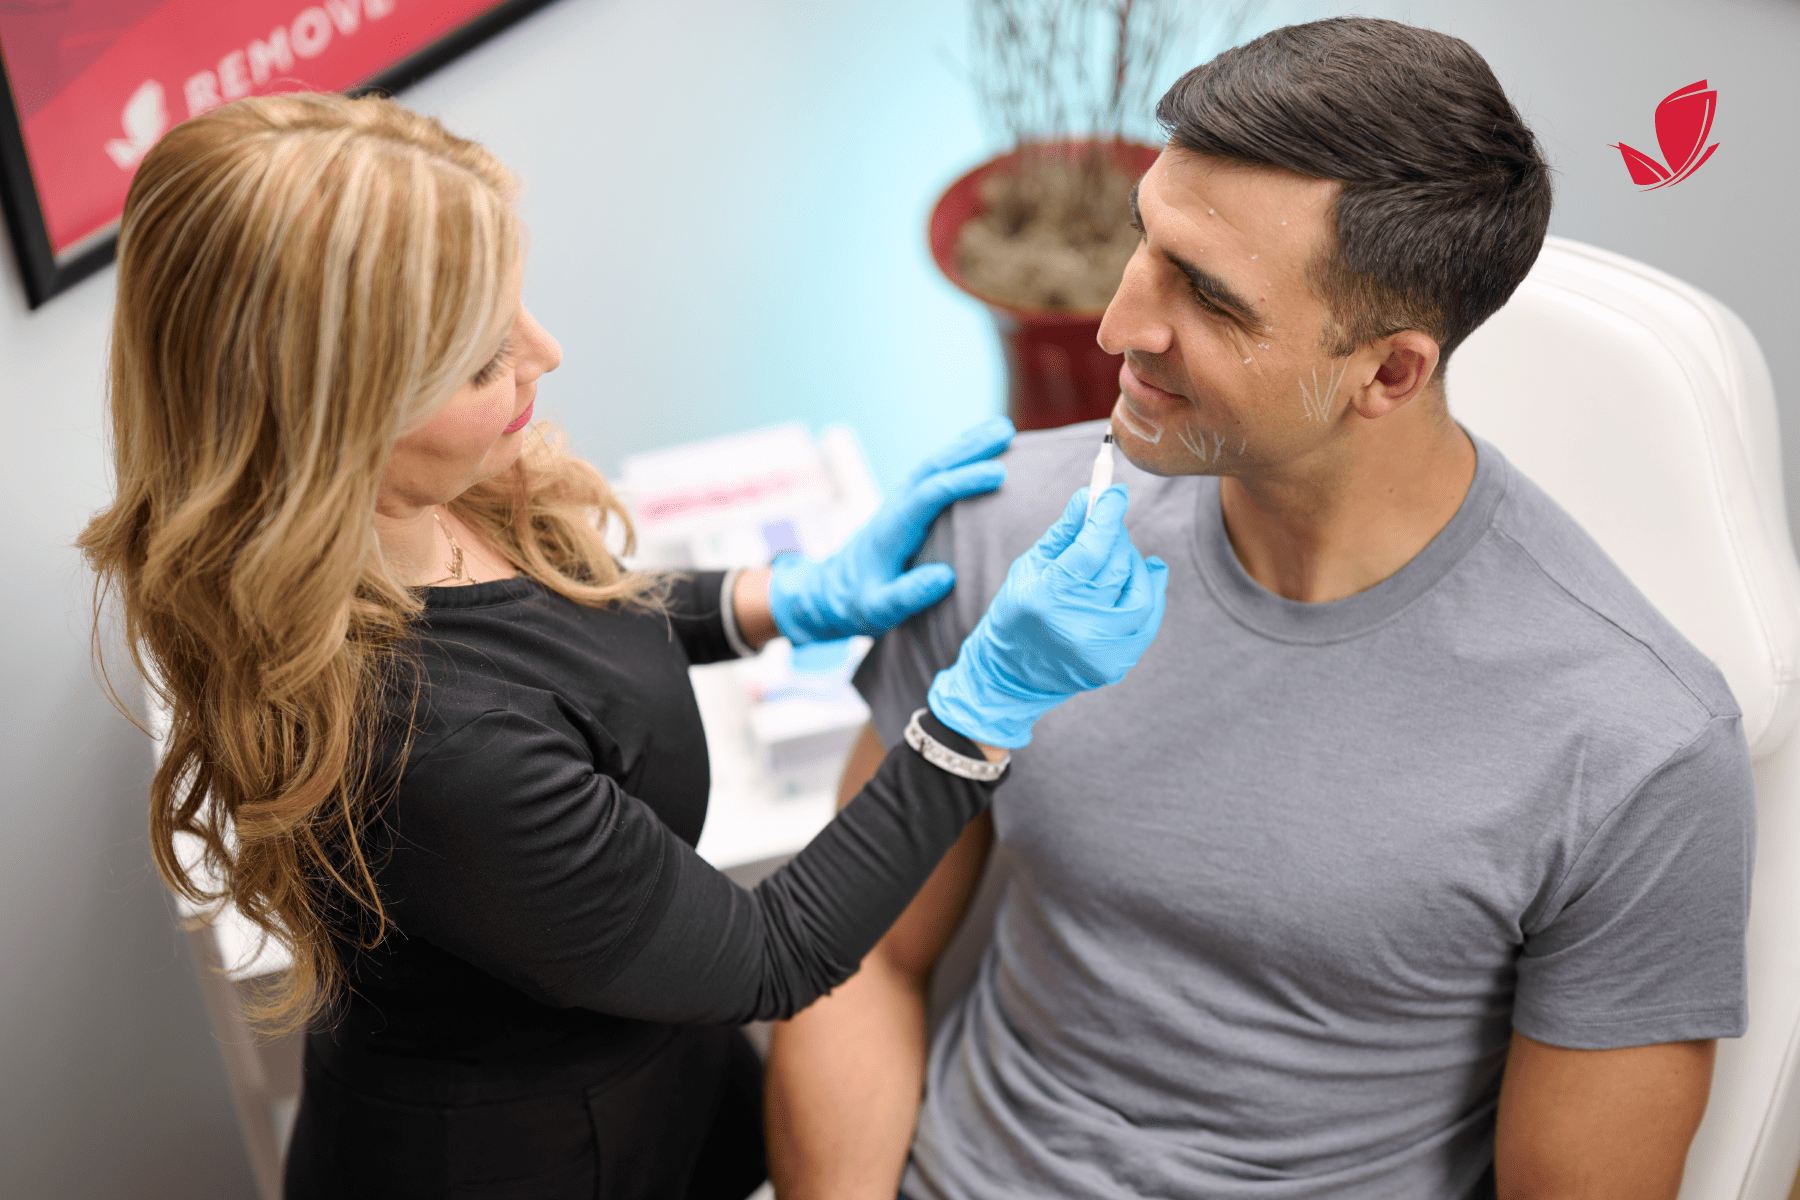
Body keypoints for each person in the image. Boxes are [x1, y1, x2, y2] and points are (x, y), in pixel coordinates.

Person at [75, 93, 1169, 1199]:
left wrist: (775, 601)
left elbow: (547, 620)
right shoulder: (432, 751)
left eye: (517, 310)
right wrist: (981, 709)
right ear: (337, 417)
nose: (544, 353)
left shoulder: (417, 504)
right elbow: (772, 954)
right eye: (479, 360)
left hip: (656, 1059)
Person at [766, 17, 1754, 1200]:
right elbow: (854, 953)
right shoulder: (1006, 531)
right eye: (1146, 242)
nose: (1117, 325)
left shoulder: (1632, 744)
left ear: (1388, 372)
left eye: (1209, 298)